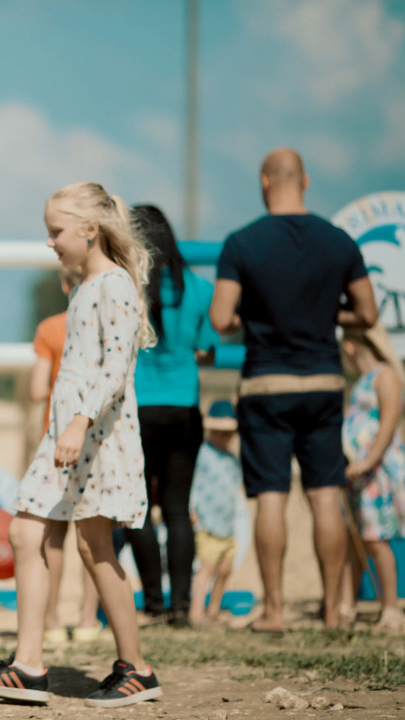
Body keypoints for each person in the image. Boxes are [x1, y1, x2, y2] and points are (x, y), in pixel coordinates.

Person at [0, 182, 161, 708]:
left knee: (93, 548)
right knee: (29, 532)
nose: (50, 242)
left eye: (56, 231)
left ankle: (135, 668)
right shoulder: (83, 288)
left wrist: (78, 422)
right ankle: (30, 664)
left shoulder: (114, 285)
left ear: (90, 229)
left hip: (92, 435)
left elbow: (116, 366)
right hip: (69, 435)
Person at [209, 148, 378, 632]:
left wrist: (256, 317)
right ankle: (333, 610)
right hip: (324, 381)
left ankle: (276, 610)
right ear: (304, 180)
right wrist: (330, 314)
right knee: (326, 496)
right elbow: (367, 314)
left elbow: (221, 319)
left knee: (272, 499)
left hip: (266, 383)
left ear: (265, 181)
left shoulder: (242, 242)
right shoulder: (338, 241)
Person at [125, 205, 218, 628]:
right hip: (184, 408)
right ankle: (182, 607)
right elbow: (207, 347)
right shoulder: (197, 287)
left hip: (138, 411)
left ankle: (152, 604)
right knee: (178, 510)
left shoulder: (127, 286)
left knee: (140, 509)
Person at [31, 267, 106, 644]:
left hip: (59, 435)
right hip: (98, 438)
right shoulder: (106, 324)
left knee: (53, 536)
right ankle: (89, 619)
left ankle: (52, 621)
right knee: (94, 534)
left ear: (65, 284)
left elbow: (36, 388)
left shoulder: (49, 328)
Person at [338, 324, 405, 631]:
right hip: (359, 473)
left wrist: (369, 460)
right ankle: (345, 606)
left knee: (377, 539)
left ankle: (391, 608)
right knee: (355, 541)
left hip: (377, 472)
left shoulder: (385, 375)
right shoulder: (362, 381)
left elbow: (390, 420)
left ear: (350, 346)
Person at [188, 400, 243, 626]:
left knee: (225, 568)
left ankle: (213, 610)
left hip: (227, 526)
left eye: (228, 433)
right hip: (207, 524)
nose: (223, 437)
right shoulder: (201, 455)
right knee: (206, 569)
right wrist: (193, 511)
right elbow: (193, 484)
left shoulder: (232, 459)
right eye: (218, 432)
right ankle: (196, 612)